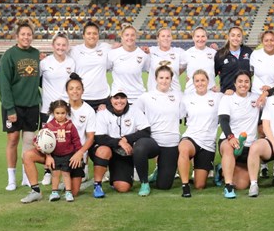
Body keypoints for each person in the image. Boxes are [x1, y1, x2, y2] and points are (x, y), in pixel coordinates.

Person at [0, 20, 41, 191]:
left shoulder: (36, 53)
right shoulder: (9, 55)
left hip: (32, 105)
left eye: (29, 34)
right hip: (14, 106)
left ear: (32, 36)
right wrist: (9, 108)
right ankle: (11, 179)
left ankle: (26, 176)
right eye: (23, 34)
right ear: (17, 36)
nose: (26, 37)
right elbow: (3, 84)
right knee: (13, 139)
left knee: (29, 142)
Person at [132, 65, 185, 196]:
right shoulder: (146, 97)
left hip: (171, 143)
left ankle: (158, 173)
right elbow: (133, 112)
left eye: (167, 78)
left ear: (171, 79)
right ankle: (144, 183)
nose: (164, 81)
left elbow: (187, 112)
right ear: (155, 79)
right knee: (139, 148)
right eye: (161, 77)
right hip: (152, 141)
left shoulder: (179, 96)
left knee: (164, 186)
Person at [90, 88, 151, 197]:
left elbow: (146, 131)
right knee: (104, 150)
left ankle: (115, 174)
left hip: (123, 153)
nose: (119, 101)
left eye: (122, 98)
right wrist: (119, 142)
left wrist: (127, 139)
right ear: (111, 99)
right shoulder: (102, 113)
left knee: (123, 187)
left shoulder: (135, 111)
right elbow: (99, 138)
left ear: (127, 99)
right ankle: (97, 185)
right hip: (106, 149)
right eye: (116, 98)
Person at [21, 100, 83, 203]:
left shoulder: (70, 126)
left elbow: (76, 140)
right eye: (57, 113)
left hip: (68, 155)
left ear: (67, 112)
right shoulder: (49, 126)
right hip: (55, 156)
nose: (60, 116)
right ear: (52, 113)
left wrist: (78, 154)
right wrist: (38, 144)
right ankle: (54, 192)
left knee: (66, 174)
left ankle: (68, 192)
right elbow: (38, 138)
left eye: (63, 113)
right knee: (55, 174)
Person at [217, 71, 264, 198]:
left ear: (250, 83)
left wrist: (265, 93)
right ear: (234, 83)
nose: (243, 84)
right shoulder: (227, 98)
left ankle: (222, 170)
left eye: (246, 81)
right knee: (228, 147)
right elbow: (223, 120)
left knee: (242, 184)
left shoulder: (256, 98)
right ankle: (228, 186)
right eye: (240, 81)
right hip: (230, 140)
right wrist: (230, 137)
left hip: (249, 145)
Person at [38, 33, 75, 187]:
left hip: (66, 109)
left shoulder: (72, 62)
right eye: (58, 45)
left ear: (67, 46)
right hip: (47, 109)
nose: (60, 48)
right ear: (53, 46)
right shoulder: (44, 63)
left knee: (65, 141)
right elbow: (38, 81)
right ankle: (48, 171)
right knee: (47, 141)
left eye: (63, 45)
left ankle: (67, 170)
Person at [178, 69, 222, 197]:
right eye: (197, 81)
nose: (200, 83)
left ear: (208, 81)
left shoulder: (218, 97)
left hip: (208, 143)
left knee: (200, 185)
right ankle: (185, 186)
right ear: (193, 83)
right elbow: (179, 116)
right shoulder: (187, 99)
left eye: (203, 80)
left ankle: (220, 169)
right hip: (191, 137)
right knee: (184, 149)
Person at [64, 73, 97, 193]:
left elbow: (91, 137)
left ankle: (74, 173)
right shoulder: (60, 107)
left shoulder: (88, 110)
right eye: (71, 89)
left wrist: (80, 153)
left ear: (83, 91)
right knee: (28, 155)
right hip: (60, 153)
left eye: (78, 88)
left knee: (74, 192)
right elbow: (48, 130)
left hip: (77, 153)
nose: (75, 92)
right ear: (67, 91)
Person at [69, 21, 111, 110]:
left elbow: (121, 48)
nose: (92, 36)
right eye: (89, 33)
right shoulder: (75, 50)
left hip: (103, 97)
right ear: (83, 36)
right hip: (82, 97)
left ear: (98, 35)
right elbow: (60, 52)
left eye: (95, 33)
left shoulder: (106, 47)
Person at [107, 24, 146, 102]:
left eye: (132, 35)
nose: (130, 38)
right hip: (118, 98)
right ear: (122, 37)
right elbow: (103, 70)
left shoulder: (143, 54)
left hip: (138, 97)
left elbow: (151, 71)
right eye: (127, 35)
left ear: (136, 37)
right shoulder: (112, 53)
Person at [146, 27, 187, 94]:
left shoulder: (179, 52)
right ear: (158, 38)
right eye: (163, 36)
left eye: (168, 36)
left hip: (174, 94)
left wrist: (174, 73)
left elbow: (187, 64)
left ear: (171, 38)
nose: (166, 38)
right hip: (154, 94)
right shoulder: (150, 51)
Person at [214, 26, 253, 94]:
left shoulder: (248, 51)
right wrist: (221, 90)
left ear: (241, 38)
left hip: (246, 95)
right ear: (228, 37)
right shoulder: (220, 54)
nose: (236, 38)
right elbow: (212, 74)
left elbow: (253, 71)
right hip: (227, 95)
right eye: (233, 35)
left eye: (238, 36)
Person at [183, 27, 217, 95]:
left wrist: (220, 87)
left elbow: (223, 72)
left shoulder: (214, 53)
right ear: (193, 38)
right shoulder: (187, 53)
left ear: (206, 37)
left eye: (203, 36)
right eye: (197, 36)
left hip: (210, 93)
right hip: (191, 93)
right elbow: (177, 71)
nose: (200, 39)